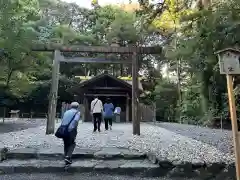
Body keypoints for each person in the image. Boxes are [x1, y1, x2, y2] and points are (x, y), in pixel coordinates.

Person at [61, 102, 80, 166]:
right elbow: (75, 121)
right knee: (72, 143)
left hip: (63, 129)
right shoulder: (77, 112)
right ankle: (68, 157)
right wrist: (73, 129)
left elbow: (63, 120)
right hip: (71, 130)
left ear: (71, 106)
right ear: (77, 107)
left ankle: (66, 157)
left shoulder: (66, 112)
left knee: (66, 144)